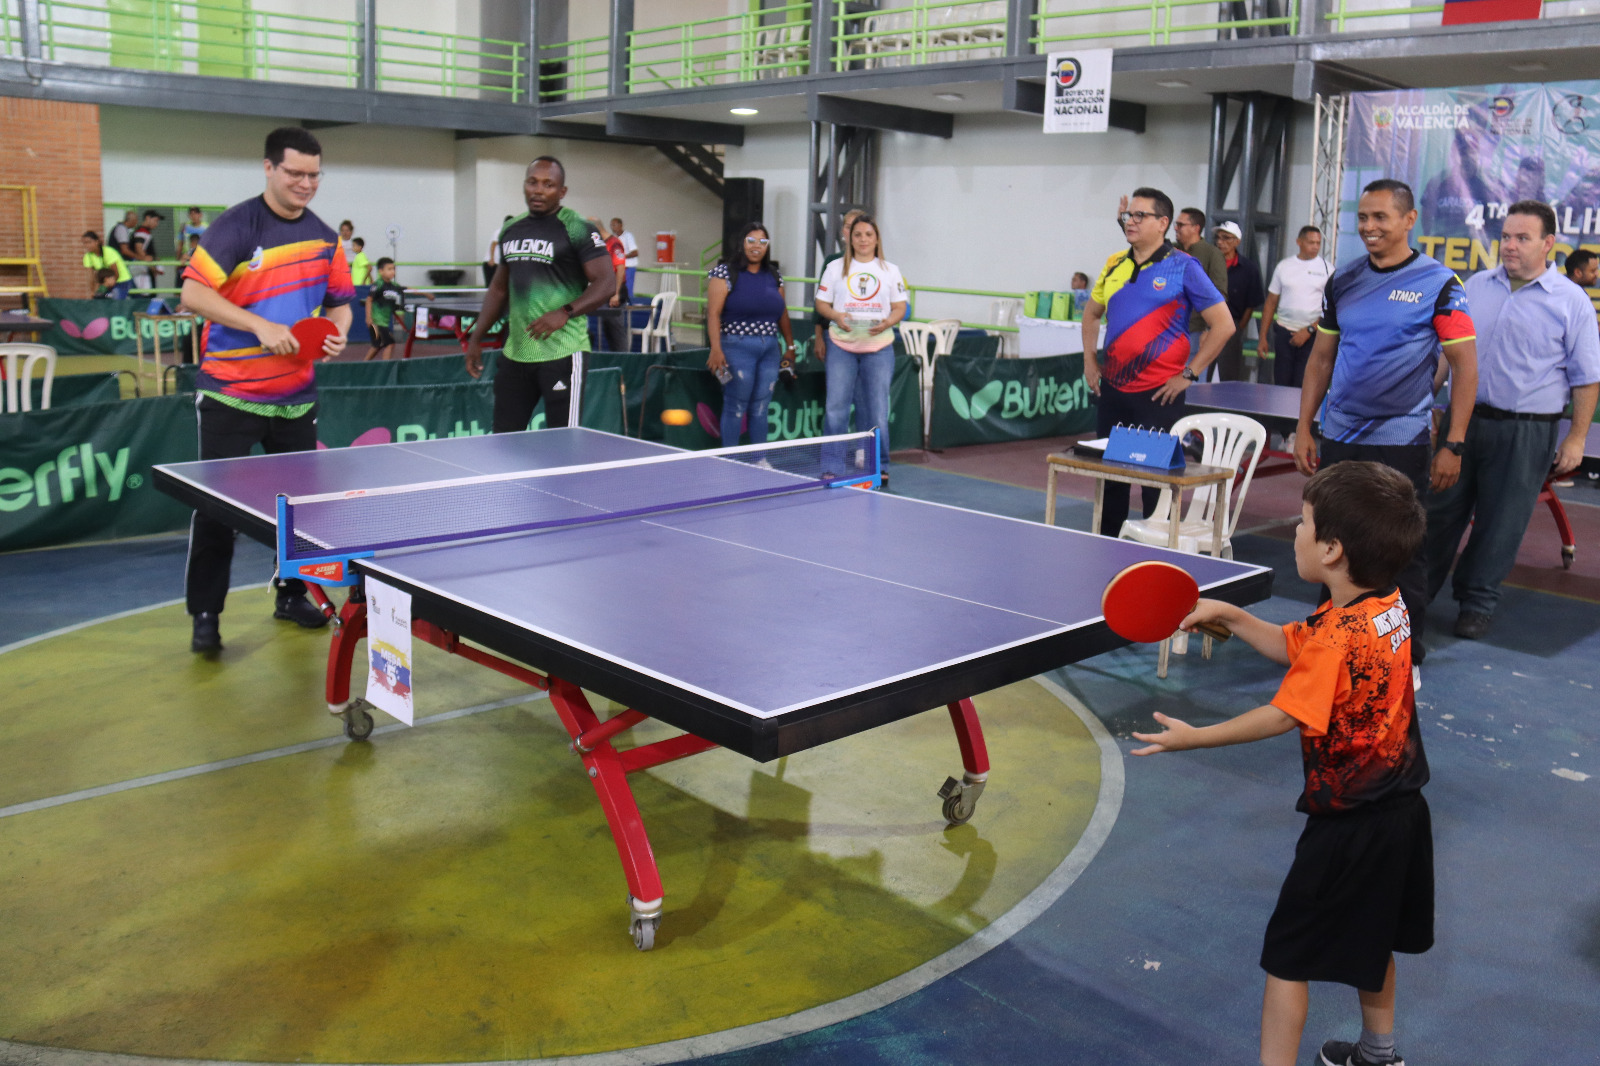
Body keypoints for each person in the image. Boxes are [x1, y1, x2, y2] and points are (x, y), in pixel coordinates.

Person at [1134, 461, 1434, 1066]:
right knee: (1373, 942)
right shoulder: (1385, 605)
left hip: (1348, 827)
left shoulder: (1336, 638)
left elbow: (1285, 713)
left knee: (1286, 959)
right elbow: (1297, 648)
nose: (1295, 532)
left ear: (1331, 549)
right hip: (1404, 812)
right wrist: (1235, 616)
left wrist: (1196, 738)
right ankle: (1379, 1054)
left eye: (1303, 523)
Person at [178, 126, 354, 654]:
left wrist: (338, 331)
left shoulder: (326, 237)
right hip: (231, 394)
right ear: (269, 169)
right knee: (216, 513)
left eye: (314, 175)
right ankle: (206, 613)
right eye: (295, 173)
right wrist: (257, 325)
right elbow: (192, 293)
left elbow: (340, 301)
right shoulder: (237, 226)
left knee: (296, 511)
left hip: (296, 399)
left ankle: (291, 592)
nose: (305, 184)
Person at [1294, 178, 1478, 676]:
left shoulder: (1440, 283)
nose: (1370, 227)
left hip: (1401, 441)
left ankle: (1403, 659)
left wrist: (1453, 444)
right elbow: (1321, 360)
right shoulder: (1344, 280)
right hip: (1339, 437)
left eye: (1381, 218)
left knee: (1399, 552)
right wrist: (1305, 426)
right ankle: (1328, 649)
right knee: (1328, 544)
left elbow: (1466, 366)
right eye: (1364, 218)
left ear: (1408, 220)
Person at [1423, 200, 1600, 640]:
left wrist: (1576, 438)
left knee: (1501, 522)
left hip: (1527, 431)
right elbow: (1451, 355)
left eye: (1522, 238)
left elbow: (1586, 378)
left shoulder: (1572, 302)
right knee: (1439, 510)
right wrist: (1431, 402)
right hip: (1463, 424)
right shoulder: (1475, 287)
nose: (1510, 246)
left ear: (1549, 244)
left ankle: (1476, 603)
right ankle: (1413, 594)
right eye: (1506, 236)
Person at [1081, 187, 1234, 536]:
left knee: (1156, 485)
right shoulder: (1114, 263)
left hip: (1159, 394)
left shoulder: (1184, 267)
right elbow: (1091, 314)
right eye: (1127, 215)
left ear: (1163, 222)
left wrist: (1189, 374)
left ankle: (1154, 559)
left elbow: (1223, 325)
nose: (1130, 221)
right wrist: (1090, 360)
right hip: (1113, 389)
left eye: (1139, 215)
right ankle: (1106, 548)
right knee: (1112, 478)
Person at [466, 156, 614, 433]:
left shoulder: (577, 227)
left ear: (562, 192)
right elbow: (498, 289)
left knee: (563, 444)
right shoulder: (511, 229)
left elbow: (606, 284)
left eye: (548, 184)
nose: (538, 190)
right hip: (516, 355)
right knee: (504, 443)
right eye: (532, 182)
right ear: (524, 185)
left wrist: (565, 312)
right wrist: (476, 338)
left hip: (562, 354)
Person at [814, 214, 907, 481]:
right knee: (836, 407)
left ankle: (880, 465)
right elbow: (822, 303)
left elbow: (900, 307)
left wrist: (888, 321)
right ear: (849, 238)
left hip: (879, 347)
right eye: (858, 235)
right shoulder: (834, 269)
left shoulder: (890, 270)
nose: (863, 239)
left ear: (876, 238)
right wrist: (836, 317)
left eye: (868, 234)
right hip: (841, 347)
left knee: (878, 408)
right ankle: (832, 466)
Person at [707, 222, 796, 447]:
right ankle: (731, 461)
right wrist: (716, 349)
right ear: (742, 243)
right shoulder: (724, 273)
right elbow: (713, 314)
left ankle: (759, 460)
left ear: (767, 246)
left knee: (761, 406)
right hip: (736, 346)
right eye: (751, 241)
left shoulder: (775, 275)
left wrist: (790, 347)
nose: (757, 246)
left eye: (762, 242)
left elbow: (782, 313)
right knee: (736, 405)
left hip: (770, 349)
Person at [1260, 226, 1333, 388]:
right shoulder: (1284, 266)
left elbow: (1332, 308)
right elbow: (1271, 302)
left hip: (1312, 335)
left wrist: (1310, 330)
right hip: (1284, 332)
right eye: (1310, 242)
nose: (1315, 247)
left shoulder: (1327, 269)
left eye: (1318, 243)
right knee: (1281, 382)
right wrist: (1263, 336)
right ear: (1299, 242)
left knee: (1303, 383)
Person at [1172, 206, 1230, 350]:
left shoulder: (1212, 254)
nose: (1176, 228)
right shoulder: (1171, 251)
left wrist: (1209, 329)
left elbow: (1219, 293)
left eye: (1180, 225)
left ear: (1195, 228)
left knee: (1191, 372)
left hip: (1195, 330)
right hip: (1168, 329)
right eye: (1176, 224)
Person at [1213, 220, 1264, 381]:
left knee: (1228, 371)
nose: (1221, 242)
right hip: (1206, 322)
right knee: (1201, 369)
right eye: (1219, 238)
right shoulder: (1209, 263)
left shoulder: (1248, 269)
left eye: (1226, 238)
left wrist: (1239, 327)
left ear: (1237, 241)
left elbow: (1252, 302)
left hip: (1232, 322)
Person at [365, 256, 433, 361]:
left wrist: (425, 293)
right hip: (376, 322)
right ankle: (386, 367)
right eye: (389, 269)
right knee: (390, 344)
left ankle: (364, 365)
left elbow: (409, 289)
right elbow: (369, 300)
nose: (392, 271)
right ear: (381, 271)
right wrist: (368, 317)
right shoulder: (378, 285)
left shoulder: (394, 286)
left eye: (393, 269)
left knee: (377, 345)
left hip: (384, 322)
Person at [591, 216, 630, 352]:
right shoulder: (599, 245)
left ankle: (623, 363)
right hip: (603, 291)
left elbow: (620, 268)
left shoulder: (614, 244)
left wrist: (616, 293)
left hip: (614, 292)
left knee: (616, 332)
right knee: (608, 330)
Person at [81, 231, 131, 298]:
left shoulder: (108, 252)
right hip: (106, 283)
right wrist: (93, 291)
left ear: (97, 242)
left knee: (116, 300)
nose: (87, 245)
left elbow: (116, 274)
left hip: (121, 281)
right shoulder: (87, 256)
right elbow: (91, 276)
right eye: (85, 243)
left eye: (89, 242)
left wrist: (105, 285)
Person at [130, 210, 165, 291]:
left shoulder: (144, 232)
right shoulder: (142, 232)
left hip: (145, 269)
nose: (157, 224)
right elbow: (139, 249)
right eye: (155, 221)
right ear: (147, 218)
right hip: (142, 270)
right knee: (146, 295)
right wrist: (151, 266)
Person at [611, 217, 639, 295]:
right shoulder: (614, 238)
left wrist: (621, 257)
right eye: (611, 226)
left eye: (614, 225)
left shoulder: (628, 236)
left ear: (621, 225)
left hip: (628, 267)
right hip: (619, 267)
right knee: (618, 290)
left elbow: (635, 252)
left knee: (628, 289)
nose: (613, 228)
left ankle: (628, 305)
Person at [484, 215, 512, 286]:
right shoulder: (499, 232)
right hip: (492, 263)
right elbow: (493, 244)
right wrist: (492, 259)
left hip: (499, 264)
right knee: (491, 286)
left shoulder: (510, 233)